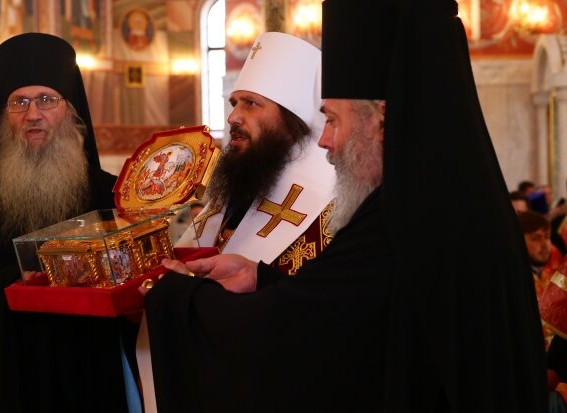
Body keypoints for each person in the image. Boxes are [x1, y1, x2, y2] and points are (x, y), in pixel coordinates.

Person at [142, 0, 547, 411]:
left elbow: (297, 331)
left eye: (333, 120)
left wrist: (174, 297)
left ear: (382, 120)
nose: (323, 140)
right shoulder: (449, 202)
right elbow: (353, 311)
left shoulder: (402, 223)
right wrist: (259, 278)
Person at [0, 33, 136, 413]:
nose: (33, 114)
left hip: (87, 369)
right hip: (9, 374)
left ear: (70, 109)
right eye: (19, 102)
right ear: (3, 114)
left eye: (46, 99)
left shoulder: (109, 192)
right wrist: (21, 277)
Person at [176, 32, 335, 275]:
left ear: (292, 120)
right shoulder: (247, 183)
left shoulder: (327, 208)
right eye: (234, 103)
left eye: (250, 103)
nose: (232, 117)